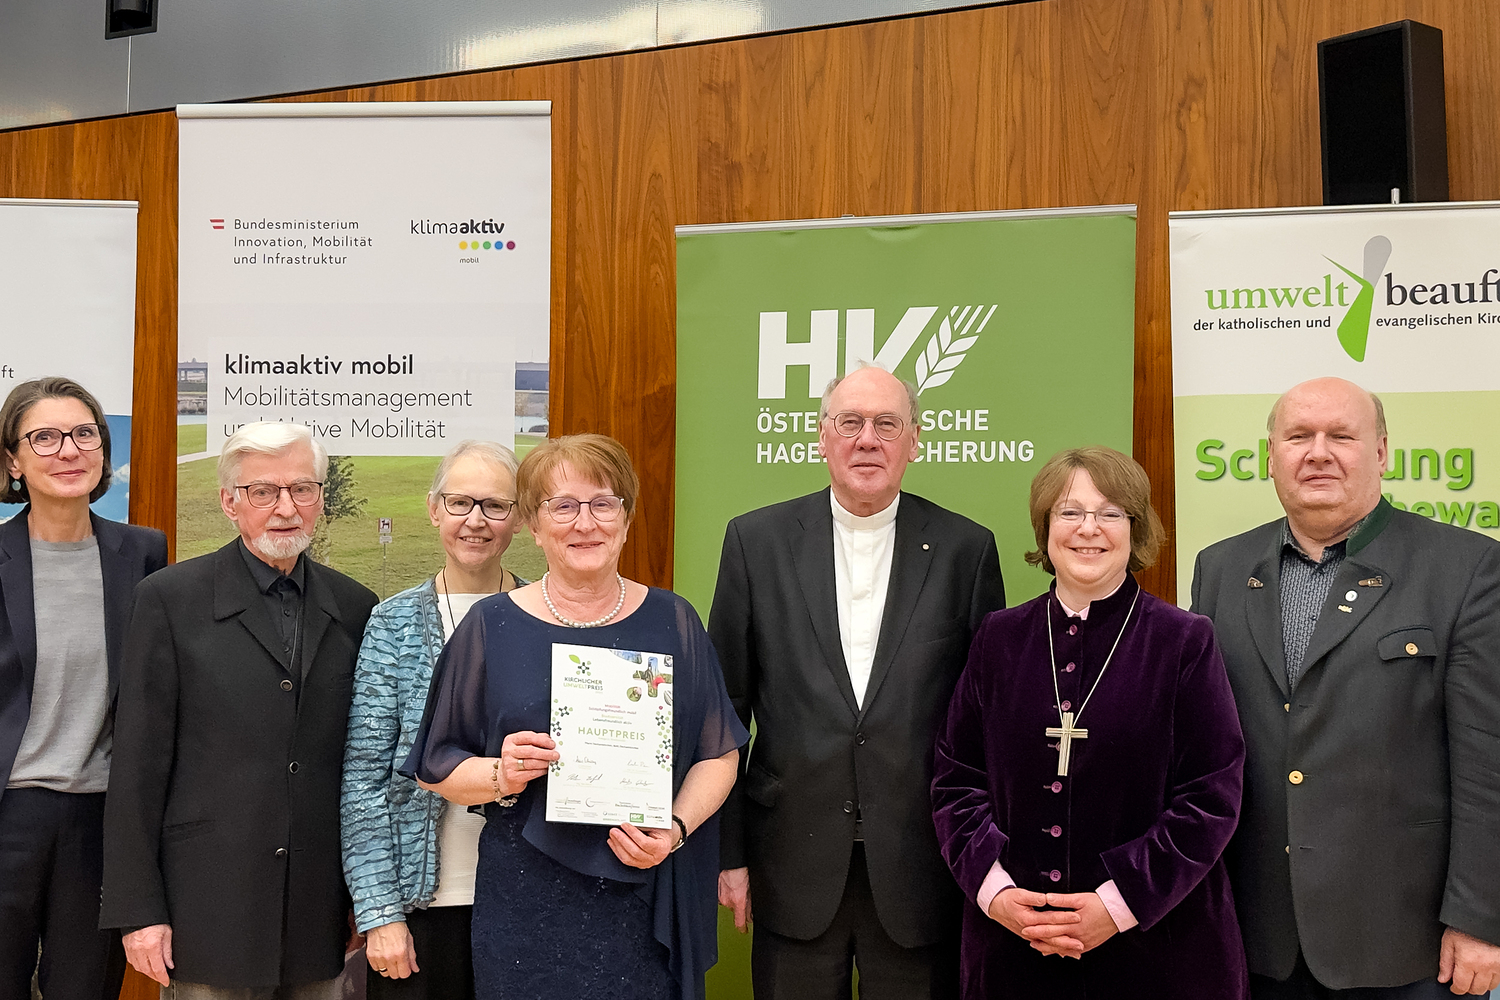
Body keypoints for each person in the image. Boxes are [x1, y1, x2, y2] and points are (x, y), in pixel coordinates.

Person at [402, 433, 747, 1000]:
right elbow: (435, 767)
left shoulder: (674, 620)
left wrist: (675, 829)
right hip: (526, 902)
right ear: (534, 526)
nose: (585, 523)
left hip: (645, 894)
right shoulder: (490, 626)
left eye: (603, 503)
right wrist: (502, 773)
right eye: (562, 506)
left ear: (626, 520)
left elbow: (719, 753)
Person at [1191, 377, 1500, 999]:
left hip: (1405, 939)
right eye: (1298, 436)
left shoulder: (1466, 567)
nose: (1318, 452)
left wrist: (1479, 918)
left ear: (1381, 452)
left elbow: (1487, 760)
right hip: (1257, 936)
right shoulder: (1220, 567)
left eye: (1341, 436)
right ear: (1270, 456)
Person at [710, 363, 1005, 1000]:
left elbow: (986, 724)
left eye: (887, 424)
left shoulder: (967, 550)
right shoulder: (755, 542)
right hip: (789, 862)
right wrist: (729, 853)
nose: (867, 439)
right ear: (822, 437)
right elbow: (724, 709)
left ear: (914, 441)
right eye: (850, 423)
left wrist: (983, 856)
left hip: (922, 868)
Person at [931, 446, 1247, 998]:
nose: (1088, 529)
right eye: (1070, 512)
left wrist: (1117, 903)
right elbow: (955, 779)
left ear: (1135, 529)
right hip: (1015, 946)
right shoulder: (999, 638)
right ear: (1045, 527)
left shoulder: (1183, 640)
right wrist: (995, 893)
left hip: (1158, 951)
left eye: (1110, 513)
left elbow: (1211, 796)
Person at [100, 422, 378, 998]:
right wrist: (139, 910)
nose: (286, 508)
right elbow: (136, 767)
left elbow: (361, 769)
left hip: (317, 913)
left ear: (320, 498)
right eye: (263, 491)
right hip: (207, 908)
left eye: (302, 489)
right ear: (230, 502)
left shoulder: (355, 607)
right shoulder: (169, 601)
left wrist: (366, 899)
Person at [0, 377, 167, 1000]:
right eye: (44, 437)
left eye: (83, 434)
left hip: (100, 821)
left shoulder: (143, 553)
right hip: (8, 811)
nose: (68, 450)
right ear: (13, 461)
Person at [342, 440, 528, 999]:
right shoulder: (392, 624)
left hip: (527, 903)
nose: (476, 520)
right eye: (460, 502)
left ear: (520, 517)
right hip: (422, 909)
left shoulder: (548, 617)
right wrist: (379, 912)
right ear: (433, 509)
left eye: (495, 505)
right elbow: (364, 780)